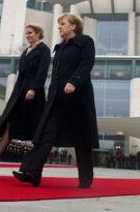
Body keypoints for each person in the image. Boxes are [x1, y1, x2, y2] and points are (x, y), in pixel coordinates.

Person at [13, 13, 99, 188]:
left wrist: (74, 82)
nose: (59, 27)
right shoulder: (59, 48)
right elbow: (55, 76)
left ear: (73, 26)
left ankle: (85, 180)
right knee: (46, 134)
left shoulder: (85, 42)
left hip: (78, 99)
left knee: (81, 140)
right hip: (57, 100)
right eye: (59, 24)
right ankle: (32, 173)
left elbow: (87, 64)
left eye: (62, 24)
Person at [0, 24, 51, 177]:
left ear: (38, 33)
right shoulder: (25, 52)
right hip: (19, 94)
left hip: (33, 95)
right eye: (26, 33)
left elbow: (42, 72)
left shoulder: (43, 50)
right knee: (10, 125)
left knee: (37, 131)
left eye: (30, 33)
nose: (27, 35)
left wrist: (34, 89)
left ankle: (32, 170)